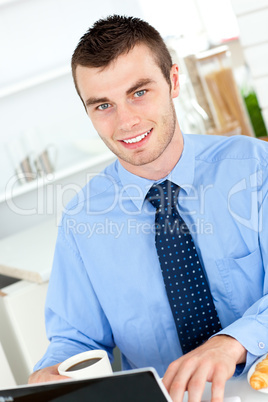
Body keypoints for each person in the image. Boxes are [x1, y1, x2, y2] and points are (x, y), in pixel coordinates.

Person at [29, 15, 268, 402]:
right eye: (103, 105)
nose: (126, 121)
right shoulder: (81, 220)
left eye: (139, 92)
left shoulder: (256, 168)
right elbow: (76, 341)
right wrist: (54, 375)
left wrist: (231, 341)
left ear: (173, 81)